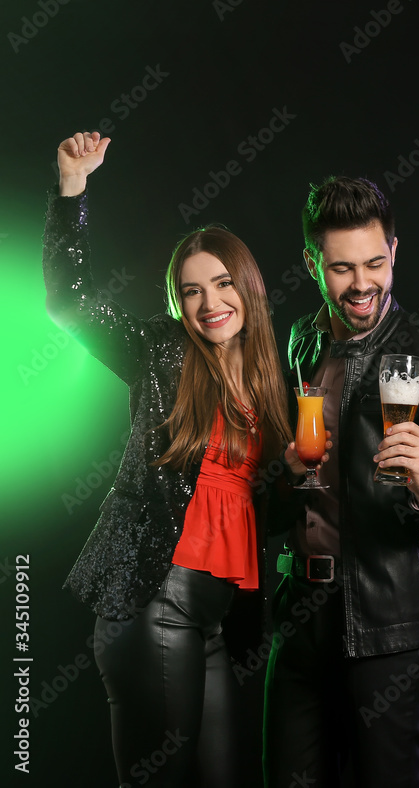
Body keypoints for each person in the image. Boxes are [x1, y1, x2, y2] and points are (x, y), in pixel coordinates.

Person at [45, 131, 304, 787]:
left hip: (213, 619)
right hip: (152, 601)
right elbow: (71, 303)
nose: (210, 303)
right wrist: (72, 190)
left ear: (250, 286)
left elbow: (260, 511)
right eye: (191, 292)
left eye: (222, 284)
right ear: (176, 304)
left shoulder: (279, 385)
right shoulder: (161, 352)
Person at [263, 175, 419, 788]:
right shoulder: (302, 340)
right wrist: (286, 473)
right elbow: (286, 487)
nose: (362, 285)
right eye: (341, 268)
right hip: (302, 615)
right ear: (312, 263)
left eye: (375, 263)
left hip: (392, 622)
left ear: (394, 251)